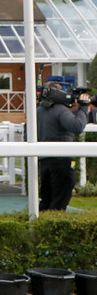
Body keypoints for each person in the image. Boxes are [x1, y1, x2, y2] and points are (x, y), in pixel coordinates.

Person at [37, 83, 89, 211]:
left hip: (44, 161)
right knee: (59, 202)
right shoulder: (60, 110)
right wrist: (83, 108)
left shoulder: (39, 111)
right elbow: (77, 126)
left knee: (46, 200)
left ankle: (40, 226)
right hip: (61, 162)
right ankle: (54, 228)